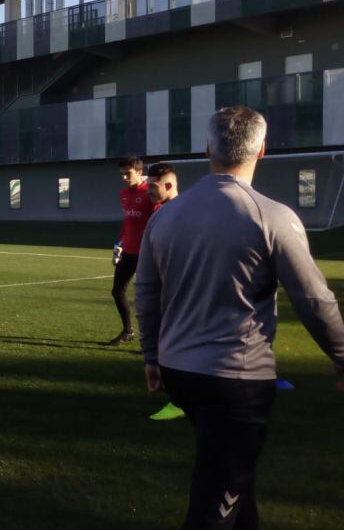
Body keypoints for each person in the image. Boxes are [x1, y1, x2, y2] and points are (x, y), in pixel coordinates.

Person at [136, 106, 344, 529]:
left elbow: (147, 293)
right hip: (237, 381)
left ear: (207, 147)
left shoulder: (166, 216)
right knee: (219, 495)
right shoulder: (273, 216)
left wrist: (152, 355)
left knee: (234, 482)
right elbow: (314, 300)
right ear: (263, 150)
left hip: (181, 373)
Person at [142, 163, 185, 422]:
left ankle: (180, 400)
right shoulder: (164, 212)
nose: (148, 190)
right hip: (175, 291)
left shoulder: (175, 214)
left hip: (177, 293)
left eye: (153, 186)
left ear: (168, 185)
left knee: (173, 343)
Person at [108, 156, 153, 346]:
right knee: (117, 291)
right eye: (122, 174)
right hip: (128, 252)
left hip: (146, 254)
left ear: (139, 172)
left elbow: (156, 223)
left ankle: (151, 341)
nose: (125, 177)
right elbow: (128, 222)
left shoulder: (150, 193)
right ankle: (128, 331)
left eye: (128, 173)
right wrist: (119, 243)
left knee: (147, 298)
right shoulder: (123, 194)